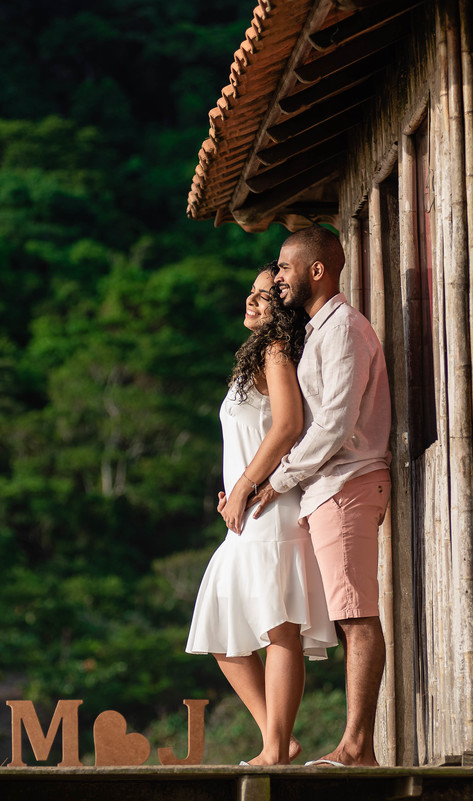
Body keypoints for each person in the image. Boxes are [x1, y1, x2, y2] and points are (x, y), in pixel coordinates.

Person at [250, 226, 393, 768]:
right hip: (329, 489)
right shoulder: (319, 331)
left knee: (357, 617)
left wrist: (277, 479)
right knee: (348, 616)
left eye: (285, 267)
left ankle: (357, 747)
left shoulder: (344, 331)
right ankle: (354, 744)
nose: (277, 276)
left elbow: (334, 425)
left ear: (318, 270)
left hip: (346, 484)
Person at [186, 263, 337, 767]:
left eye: (263, 295)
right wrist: (234, 490)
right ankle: (277, 738)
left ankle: (275, 746)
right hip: (246, 513)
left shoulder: (276, 351)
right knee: (221, 624)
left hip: (272, 509)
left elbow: (289, 423)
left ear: (283, 306)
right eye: (250, 292)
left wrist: (249, 484)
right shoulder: (257, 354)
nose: (251, 301)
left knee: (279, 627)